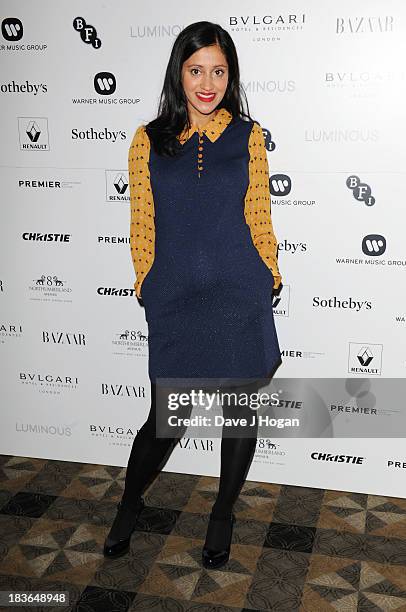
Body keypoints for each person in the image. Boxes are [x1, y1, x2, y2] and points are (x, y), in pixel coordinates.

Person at [103, 20, 283, 570]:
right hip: (177, 300)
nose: (208, 83)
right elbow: (142, 225)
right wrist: (147, 284)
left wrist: (268, 275)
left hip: (240, 294)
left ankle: (222, 515)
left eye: (219, 72)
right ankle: (130, 504)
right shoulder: (148, 139)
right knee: (165, 420)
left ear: (231, 77)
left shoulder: (249, 136)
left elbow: (259, 215)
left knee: (239, 413)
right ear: (178, 73)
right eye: (196, 69)